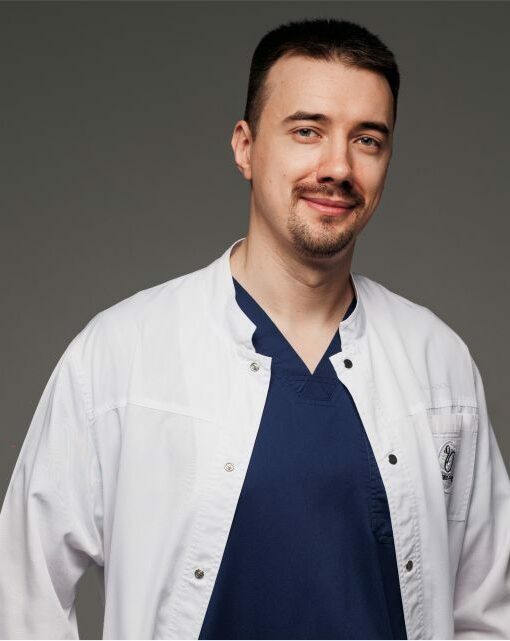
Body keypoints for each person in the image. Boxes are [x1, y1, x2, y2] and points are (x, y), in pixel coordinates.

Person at [0, 17, 509, 640]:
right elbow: (21, 594)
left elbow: (487, 613)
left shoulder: (440, 364)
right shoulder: (119, 355)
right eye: (307, 131)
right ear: (246, 147)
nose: (338, 166)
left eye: (367, 139)